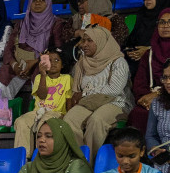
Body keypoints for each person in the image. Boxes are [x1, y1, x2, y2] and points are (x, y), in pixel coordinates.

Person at [56, 24, 131, 154]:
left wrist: (85, 93)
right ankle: (80, 157)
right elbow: (77, 89)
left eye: (90, 41)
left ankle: (91, 160)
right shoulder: (82, 63)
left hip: (115, 102)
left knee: (96, 120)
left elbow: (114, 90)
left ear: (101, 42)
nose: (84, 45)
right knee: (69, 120)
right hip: (89, 102)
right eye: (83, 40)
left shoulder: (118, 62)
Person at [13, 48, 71, 156]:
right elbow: (42, 95)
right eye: (49, 60)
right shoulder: (39, 77)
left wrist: (67, 117)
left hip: (56, 113)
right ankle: (23, 157)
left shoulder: (67, 78)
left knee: (43, 124)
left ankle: (40, 157)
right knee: (21, 121)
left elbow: (69, 100)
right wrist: (43, 74)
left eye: (57, 60)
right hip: (38, 112)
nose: (53, 63)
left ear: (63, 64)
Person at [0, 0, 52, 101]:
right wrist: (14, 65)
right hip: (19, 65)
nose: (37, 3)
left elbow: (57, 49)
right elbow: (9, 49)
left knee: (40, 73)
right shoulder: (21, 24)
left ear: (48, 2)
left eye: (42, 0)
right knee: (0, 79)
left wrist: (35, 62)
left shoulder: (56, 23)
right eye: (34, 0)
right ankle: (1, 110)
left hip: (40, 65)